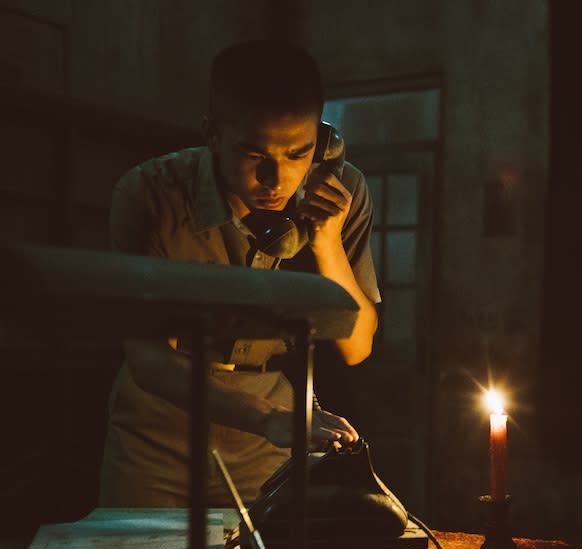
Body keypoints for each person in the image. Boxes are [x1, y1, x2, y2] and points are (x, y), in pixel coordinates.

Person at [98, 39, 380, 509]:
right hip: (158, 435)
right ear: (212, 133)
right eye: (255, 156)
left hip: (268, 443)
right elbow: (148, 359)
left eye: (299, 153)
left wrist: (327, 243)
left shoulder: (341, 190)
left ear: (324, 141)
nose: (278, 179)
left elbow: (357, 347)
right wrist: (267, 417)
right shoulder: (149, 194)